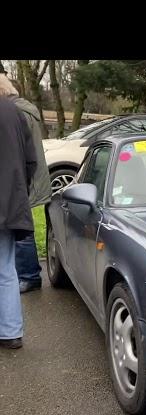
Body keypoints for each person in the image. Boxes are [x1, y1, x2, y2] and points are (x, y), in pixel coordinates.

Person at [0, 73, 52, 293]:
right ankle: (29, 274)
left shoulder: (15, 112)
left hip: (22, 180)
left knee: (21, 226)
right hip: (26, 177)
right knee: (22, 223)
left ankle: (30, 275)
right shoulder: (25, 109)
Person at [0, 97, 38, 349]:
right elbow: (31, 160)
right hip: (8, 203)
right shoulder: (12, 111)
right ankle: (11, 332)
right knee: (5, 269)